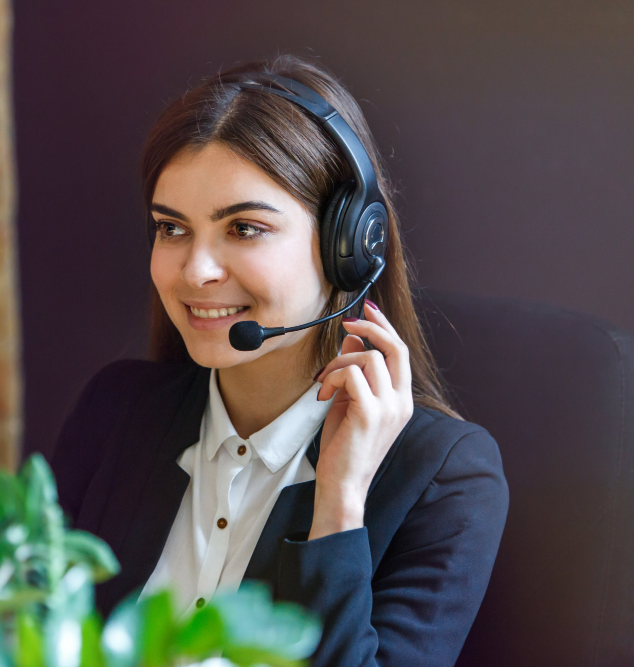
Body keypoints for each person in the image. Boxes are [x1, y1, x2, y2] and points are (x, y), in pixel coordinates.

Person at [48, 54, 509, 667]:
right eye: (172, 228)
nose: (196, 271)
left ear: (348, 247)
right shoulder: (117, 412)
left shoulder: (444, 479)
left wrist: (339, 503)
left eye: (243, 228)